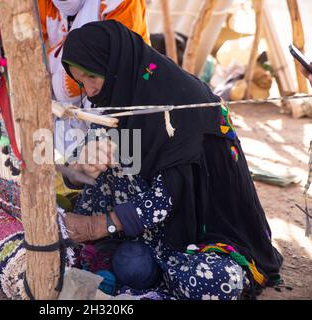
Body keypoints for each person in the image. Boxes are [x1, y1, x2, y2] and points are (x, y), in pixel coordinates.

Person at [61, 20, 283, 300]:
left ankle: (154, 277)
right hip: (145, 229)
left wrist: (95, 227)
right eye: (80, 82)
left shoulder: (181, 103)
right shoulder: (118, 97)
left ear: (114, 63)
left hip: (201, 233)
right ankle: (144, 271)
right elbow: (79, 170)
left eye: (92, 77)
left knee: (212, 282)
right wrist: (82, 165)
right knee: (107, 173)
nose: (90, 91)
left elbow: (168, 197)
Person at [38, 0, 150, 159]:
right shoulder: (38, 5)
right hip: (70, 113)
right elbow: (29, 56)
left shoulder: (120, 3)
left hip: (124, 102)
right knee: (80, 168)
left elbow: (121, 64)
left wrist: (57, 80)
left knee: (122, 164)